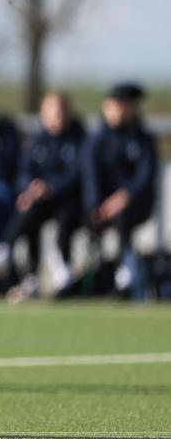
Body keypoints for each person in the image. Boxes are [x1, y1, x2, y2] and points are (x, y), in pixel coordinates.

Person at [0, 92, 86, 301]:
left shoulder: (78, 139)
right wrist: (30, 188)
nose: (57, 116)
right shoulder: (38, 139)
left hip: (70, 201)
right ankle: (21, 268)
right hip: (41, 200)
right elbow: (24, 171)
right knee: (28, 209)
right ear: (43, 114)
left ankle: (64, 277)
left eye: (61, 111)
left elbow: (76, 174)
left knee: (63, 220)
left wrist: (50, 187)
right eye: (52, 112)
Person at [70, 83, 157, 298]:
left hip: (133, 205)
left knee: (123, 218)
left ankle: (126, 274)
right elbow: (90, 176)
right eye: (116, 105)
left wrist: (124, 196)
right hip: (101, 205)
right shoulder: (96, 139)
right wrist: (95, 206)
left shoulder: (143, 139)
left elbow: (145, 177)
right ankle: (77, 277)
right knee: (70, 218)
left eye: (125, 105)